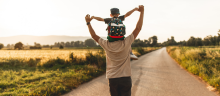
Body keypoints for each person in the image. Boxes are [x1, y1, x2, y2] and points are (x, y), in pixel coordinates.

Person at [85, 5, 144, 96]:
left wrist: (89, 22)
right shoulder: (127, 42)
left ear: (109, 31)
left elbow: (94, 35)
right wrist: (141, 12)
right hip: (126, 78)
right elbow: (138, 28)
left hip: (113, 79)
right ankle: (131, 52)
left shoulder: (106, 44)